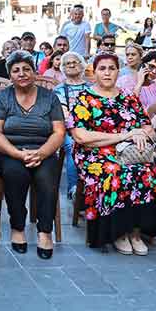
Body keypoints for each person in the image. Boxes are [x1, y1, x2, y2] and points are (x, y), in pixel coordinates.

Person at [68, 54, 156, 253]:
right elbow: (81, 136)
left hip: (129, 152)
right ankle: (118, 232)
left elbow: (149, 129)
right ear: (94, 73)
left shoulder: (129, 97)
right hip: (93, 154)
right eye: (102, 68)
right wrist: (124, 135)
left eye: (111, 68)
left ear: (117, 71)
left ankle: (135, 232)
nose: (106, 72)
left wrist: (140, 134)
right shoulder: (84, 98)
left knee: (148, 172)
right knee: (113, 171)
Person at [0, 50, 65, 257]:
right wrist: (18, 154)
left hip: (43, 149)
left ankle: (45, 232)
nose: (21, 74)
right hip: (9, 151)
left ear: (34, 73)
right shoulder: (3, 98)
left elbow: (58, 132)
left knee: (47, 177)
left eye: (26, 69)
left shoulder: (49, 98)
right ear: (10, 75)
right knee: (15, 174)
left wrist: (40, 153)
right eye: (16, 70)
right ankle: (18, 227)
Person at [54, 51, 89, 200]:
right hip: (68, 130)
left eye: (75, 62)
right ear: (62, 68)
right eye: (67, 63)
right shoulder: (59, 90)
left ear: (82, 66)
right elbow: (64, 114)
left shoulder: (91, 87)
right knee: (73, 146)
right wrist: (78, 132)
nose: (72, 65)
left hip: (91, 128)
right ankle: (74, 190)